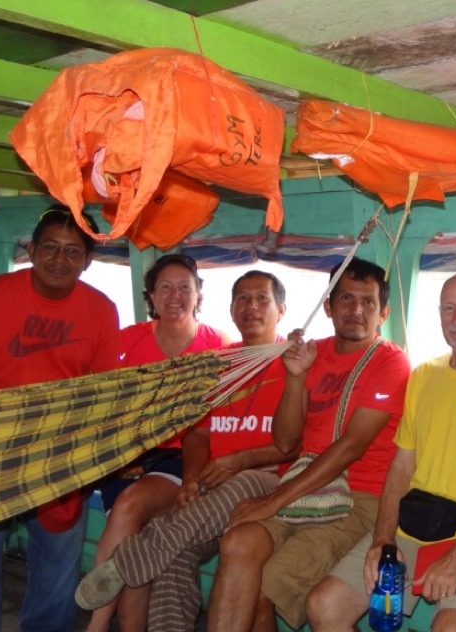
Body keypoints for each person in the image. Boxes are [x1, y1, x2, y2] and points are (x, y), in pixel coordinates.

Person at [306, 272, 456, 632]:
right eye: (449, 309)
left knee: (450, 628)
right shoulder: (423, 376)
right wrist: (383, 540)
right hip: (414, 523)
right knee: (324, 606)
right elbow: (401, 468)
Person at [75, 270, 295, 632]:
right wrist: (191, 479)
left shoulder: (295, 362)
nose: (251, 306)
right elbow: (197, 434)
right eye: (242, 298)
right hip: (214, 489)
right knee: (173, 560)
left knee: (243, 481)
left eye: (262, 298)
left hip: (269, 484)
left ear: (281, 310)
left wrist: (236, 462)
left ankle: (128, 561)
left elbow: (294, 444)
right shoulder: (216, 364)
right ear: (231, 309)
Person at [203, 257, 411, 632]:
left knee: (262, 589)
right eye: (345, 299)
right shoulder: (313, 353)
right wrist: (296, 377)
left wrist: (272, 501)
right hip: (303, 488)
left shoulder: (391, 363)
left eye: (368, 302)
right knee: (236, 543)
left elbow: (351, 447)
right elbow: (286, 442)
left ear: (384, 313)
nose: (356, 311)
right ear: (328, 306)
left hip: (358, 498)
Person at [0, 204, 121, 632]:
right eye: (50, 247)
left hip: (59, 455)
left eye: (72, 251)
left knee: (58, 570)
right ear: (31, 249)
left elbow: (101, 395)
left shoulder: (102, 310)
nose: (59, 259)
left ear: (88, 260)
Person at [86, 253, 227, 632]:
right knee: (134, 549)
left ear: (198, 294)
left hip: (184, 458)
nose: (175, 296)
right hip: (129, 457)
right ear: (150, 295)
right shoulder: (128, 341)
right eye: (165, 287)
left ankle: (96, 625)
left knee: (129, 506)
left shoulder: (219, 346)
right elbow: (99, 401)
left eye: (184, 287)